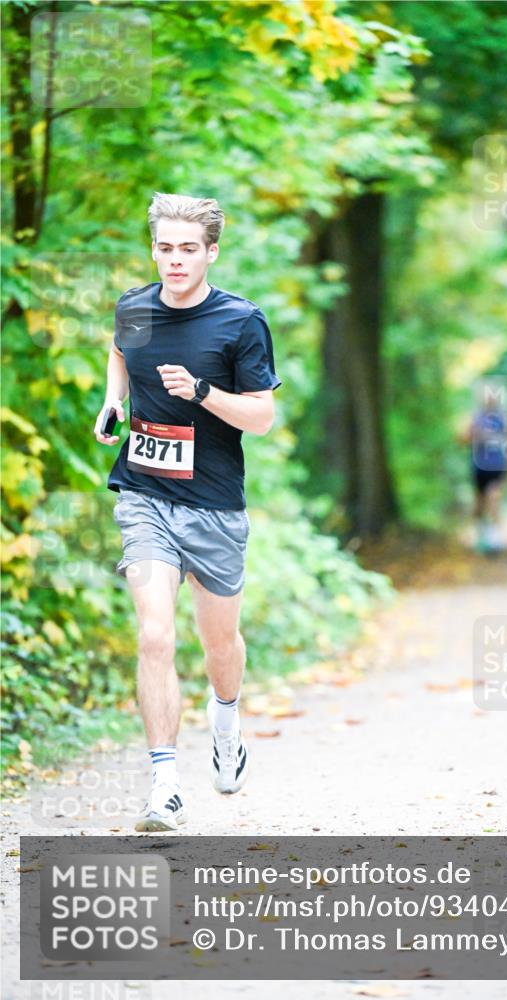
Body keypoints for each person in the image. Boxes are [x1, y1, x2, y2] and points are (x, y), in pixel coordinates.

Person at [94, 192, 282, 831]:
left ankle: (226, 720)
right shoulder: (134, 306)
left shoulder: (240, 322)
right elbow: (120, 350)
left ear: (211, 252)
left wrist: (203, 393)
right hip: (145, 494)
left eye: (187, 250)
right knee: (154, 633)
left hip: (215, 506)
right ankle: (165, 783)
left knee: (219, 643)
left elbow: (261, 417)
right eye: (165, 248)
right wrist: (113, 402)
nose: (174, 261)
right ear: (154, 249)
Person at [468, 390, 506, 555]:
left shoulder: (502, 418)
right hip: (479, 465)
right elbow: (463, 438)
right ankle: (480, 535)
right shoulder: (475, 417)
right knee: (480, 502)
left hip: (497, 464)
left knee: (494, 496)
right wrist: (473, 434)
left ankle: (494, 537)